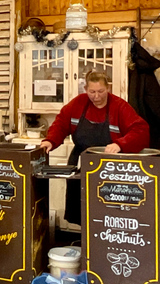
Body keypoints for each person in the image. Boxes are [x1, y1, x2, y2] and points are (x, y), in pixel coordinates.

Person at [41, 71, 149, 225]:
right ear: (85, 89)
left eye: (101, 91)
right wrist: (50, 141)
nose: (96, 96)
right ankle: (83, 244)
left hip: (109, 167)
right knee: (80, 211)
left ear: (108, 88)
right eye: (92, 92)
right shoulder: (78, 103)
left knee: (106, 213)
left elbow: (141, 131)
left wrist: (120, 144)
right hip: (80, 164)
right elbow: (61, 123)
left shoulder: (119, 106)